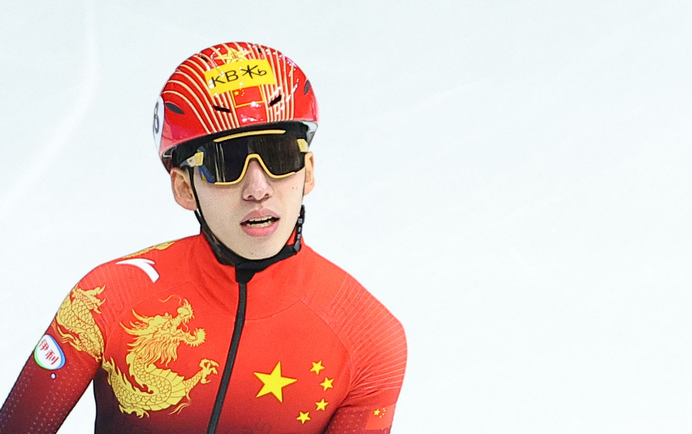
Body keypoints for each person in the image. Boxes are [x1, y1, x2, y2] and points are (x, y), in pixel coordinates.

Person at [0, 42, 407, 433]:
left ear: (309, 171)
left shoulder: (369, 338)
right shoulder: (106, 299)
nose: (258, 189)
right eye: (226, 164)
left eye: (280, 156)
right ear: (184, 188)